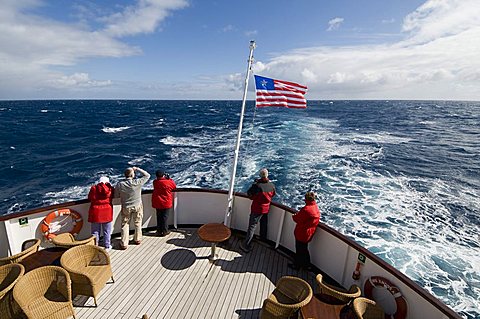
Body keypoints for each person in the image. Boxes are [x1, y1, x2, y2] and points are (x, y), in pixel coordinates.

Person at [240, 168, 276, 252]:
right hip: (266, 209)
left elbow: (250, 195)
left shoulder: (257, 186)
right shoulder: (272, 185)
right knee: (264, 224)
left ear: (260, 176)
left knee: (252, 227)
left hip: (257, 209)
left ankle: (246, 245)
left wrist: (255, 184)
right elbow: (273, 194)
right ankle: (263, 239)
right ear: (267, 175)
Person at [115, 166, 150, 250]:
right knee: (138, 222)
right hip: (137, 205)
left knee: (125, 224)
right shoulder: (137, 182)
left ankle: (124, 243)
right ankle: (137, 239)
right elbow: (147, 175)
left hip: (126, 206)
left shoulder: (120, 184)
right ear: (132, 175)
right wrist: (137, 169)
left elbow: (116, 195)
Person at [288, 191, 320, 270]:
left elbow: (297, 218)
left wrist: (294, 216)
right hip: (309, 233)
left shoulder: (306, 209)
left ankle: (297, 265)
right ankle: (306, 265)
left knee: (299, 250)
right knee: (304, 250)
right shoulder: (315, 207)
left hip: (301, 233)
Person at [88, 176, 114, 250]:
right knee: (107, 231)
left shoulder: (94, 188)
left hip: (95, 212)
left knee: (95, 231)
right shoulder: (110, 189)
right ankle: (107, 246)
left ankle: (95, 246)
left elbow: (90, 197)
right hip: (107, 212)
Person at [151, 169, 177, 237]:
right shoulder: (168, 182)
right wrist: (169, 179)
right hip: (166, 202)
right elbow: (174, 186)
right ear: (163, 175)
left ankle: (159, 231)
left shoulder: (155, 182)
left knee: (159, 217)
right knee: (165, 217)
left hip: (157, 202)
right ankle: (165, 231)